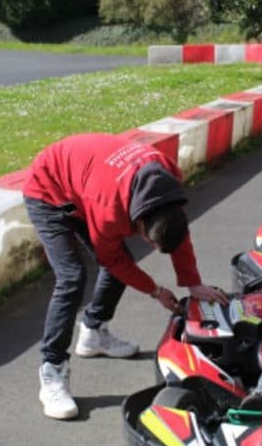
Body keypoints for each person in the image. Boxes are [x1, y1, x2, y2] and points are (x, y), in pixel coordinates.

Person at [23, 133, 228, 420]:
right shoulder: (108, 208)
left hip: (86, 180)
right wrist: (155, 291)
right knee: (72, 277)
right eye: (149, 242)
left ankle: (93, 333)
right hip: (49, 190)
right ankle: (52, 370)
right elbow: (112, 259)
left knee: (121, 265)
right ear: (140, 224)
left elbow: (178, 233)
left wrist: (193, 284)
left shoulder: (168, 182)